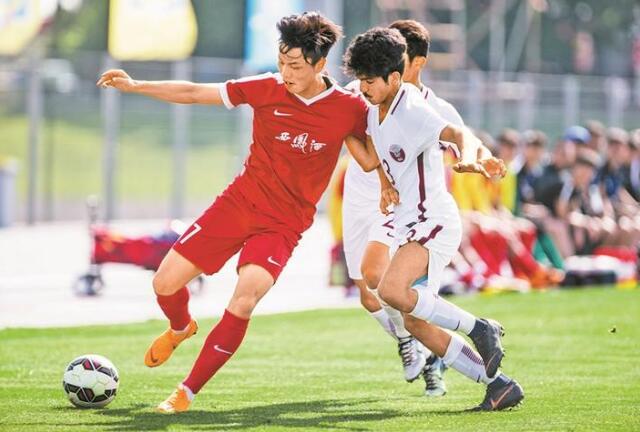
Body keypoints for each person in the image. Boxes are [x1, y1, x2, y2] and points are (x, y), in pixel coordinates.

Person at [97, 12, 390, 413]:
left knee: (244, 300)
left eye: (296, 66)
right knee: (164, 284)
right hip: (239, 204)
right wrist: (136, 85)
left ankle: (185, 392)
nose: (286, 72)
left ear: (320, 64)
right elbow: (194, 93)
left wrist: (391, 182)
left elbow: (376, 153)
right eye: (282, 62)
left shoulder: (349, 108)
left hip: (284, 224)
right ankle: (181, 327)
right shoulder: (267, 88)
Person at [343, 27, 524, 411]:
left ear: (395, 77)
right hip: (406, 221)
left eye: (369, 81)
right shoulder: (375, 107)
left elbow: (457, 133)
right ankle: (499, 386)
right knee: (413, 320)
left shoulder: (411, 106)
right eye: (360, 80)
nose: (363, 88)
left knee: (391, 291)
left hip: (432, 221)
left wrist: (473, 157)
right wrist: (384, 184)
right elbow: (375, 157)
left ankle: (481, 328)